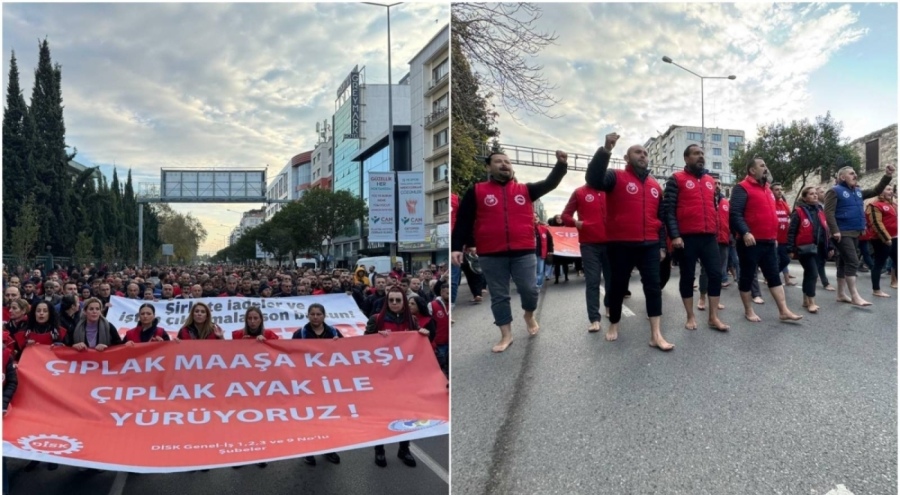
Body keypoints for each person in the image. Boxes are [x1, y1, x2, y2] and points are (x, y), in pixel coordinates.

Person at [452, 149, 567, 352]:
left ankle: (529, 315)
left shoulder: (526, 190)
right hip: (491, 253)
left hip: (524, 250)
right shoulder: (477, 191)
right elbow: (463, 221)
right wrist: (456, 247)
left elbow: (550, 183)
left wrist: (561, 165)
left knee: (530, 290)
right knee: (499, 296)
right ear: (488, 167)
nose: (504, 164)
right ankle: (506, 335)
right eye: (498, 161)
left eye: (507, 161)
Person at [585, 133, 673, 350]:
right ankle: (614, 324)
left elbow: (660, 219)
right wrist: (606, 150)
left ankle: (656, 334)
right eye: (638, 152)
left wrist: (662, 245)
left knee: (653, 288)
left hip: (650, 245)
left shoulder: (655, 186)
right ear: (626, 158)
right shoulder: (615, 177)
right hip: (620, 245)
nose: (643, 155)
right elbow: (593, 179)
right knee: (617, 287)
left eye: (645, 153)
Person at [662, 145, 729, 332]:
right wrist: (675, 235)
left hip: (709, 237)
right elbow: (668, 210)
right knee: (687, 276)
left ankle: (713, 317)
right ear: (686, 158)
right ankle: (690, 316)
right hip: (686, 238)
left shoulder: (710, 181)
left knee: (715, 274)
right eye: (696, 154)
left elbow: (713, 208)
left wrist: (716, 230)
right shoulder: (676, 179)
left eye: (702, 154)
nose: (700, 156)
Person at [729, 157, 803, 323]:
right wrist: (745, 232)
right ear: (752, 170)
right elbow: (735, 214)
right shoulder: (741, 188)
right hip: (750, 242)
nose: (766, 168)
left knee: (774, 276)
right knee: (747, 277)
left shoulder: (768, 189)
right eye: (762, 166)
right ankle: (748, 311)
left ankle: (784, 311)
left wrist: (774, 236)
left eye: (765, 165)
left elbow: (770, 215)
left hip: (769, 242)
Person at [364, 288, 424, 467]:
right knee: (381, 415)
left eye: (398, 300)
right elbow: (364, 345)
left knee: (406, 415)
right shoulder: (377, 319)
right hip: (382, 378)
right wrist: (376, 337)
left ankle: (404, 449)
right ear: (387, 302)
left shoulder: (412, 320)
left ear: (404, 301)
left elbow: (419, 344)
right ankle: (379, 450)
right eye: (391, 300)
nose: (395, 303)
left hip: (405, 377)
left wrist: (424, 334)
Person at [824, 164, 894, 306]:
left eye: (855, 173)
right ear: (842, 177)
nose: (855, 175)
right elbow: (828, 212)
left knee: (843, 262)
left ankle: (841, 294)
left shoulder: (858, 191)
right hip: (842, 232)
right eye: (851, 173)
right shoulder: (834, 191)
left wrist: (887, 176)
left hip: (855, 232)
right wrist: (835, 230)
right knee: (853, 261)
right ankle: (855, 296)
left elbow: (876, 190)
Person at [290, 303, 343, 466]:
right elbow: (291, 356)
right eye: (312, 314)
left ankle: (329, 448)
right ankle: (309, 450)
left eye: (318, 314)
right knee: (309, 417)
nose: (315, 317)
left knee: (328, 416)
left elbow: (347, 353)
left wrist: (338, 344)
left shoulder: (334, 332)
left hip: (328, 382)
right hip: (308, 382)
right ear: (308, 315)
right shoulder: (299, 334)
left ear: (324, 316)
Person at [561, 180, 610, 332]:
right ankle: (594, 319)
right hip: (589, 245)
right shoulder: (579, 192)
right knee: (593, 281)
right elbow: (565, 216)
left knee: (612, 279)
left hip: (611, 243)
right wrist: (576, 223)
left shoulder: (609, 189)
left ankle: (609, 306)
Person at [787, 186, 833, 313]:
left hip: (819, 248)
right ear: (804, 198)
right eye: (811, 194)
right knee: (813, 273)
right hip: (805, 248)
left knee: (808, 273)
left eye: (815, 193)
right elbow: (791, 232)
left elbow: (826, 230)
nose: (815, 195)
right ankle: (812, 302)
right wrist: (790, 249)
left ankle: (805, 300)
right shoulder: (798, 212)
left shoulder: (820, 210)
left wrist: (830, 246)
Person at [867, 184, 897, 297]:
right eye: (888, 189)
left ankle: (895, 281)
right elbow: (876, 223)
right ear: (880, 191)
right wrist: (886, 238)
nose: (891, 191)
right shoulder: (875, 205)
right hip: (881, 239)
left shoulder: (892, 205)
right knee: (879, 264)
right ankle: (876, 290)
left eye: (891, 190)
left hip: (895, 237)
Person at [773, 183, 796, 286]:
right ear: (771, 192)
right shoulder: (770, 203)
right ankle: (773, 278)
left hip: (784, 238)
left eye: (781, 189)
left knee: (785, 259)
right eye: (777, 189)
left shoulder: (783, 203)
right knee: (776, 260)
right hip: (774, 239)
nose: (780, 191)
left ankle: (784, 279)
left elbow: (791, 215)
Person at [533, 215, 553, 291]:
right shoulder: (526, 228)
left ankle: (538, 285)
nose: (535, 218)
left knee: (540, 271)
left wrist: (550, 250)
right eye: (533, 216)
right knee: (530, 272)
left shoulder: (544, 229)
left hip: (540, 253)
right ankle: (530, 286)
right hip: (528, 254)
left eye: (536, 217)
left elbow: (550, 240)